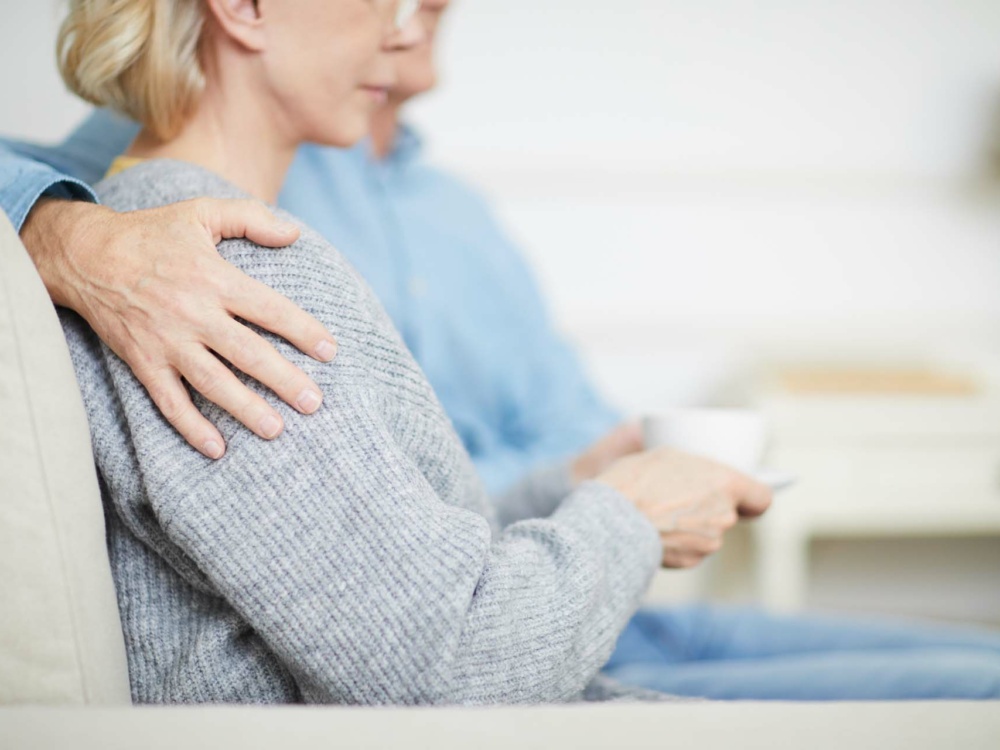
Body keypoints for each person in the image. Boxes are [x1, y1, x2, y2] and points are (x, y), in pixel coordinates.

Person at [4, 1, 1000, 702]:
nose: (406, 39)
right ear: (244, 5)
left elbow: (404, 567)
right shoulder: (215, 271)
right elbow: (448, 665)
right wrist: (630, 515)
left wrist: (589, 489)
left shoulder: (210, 246)